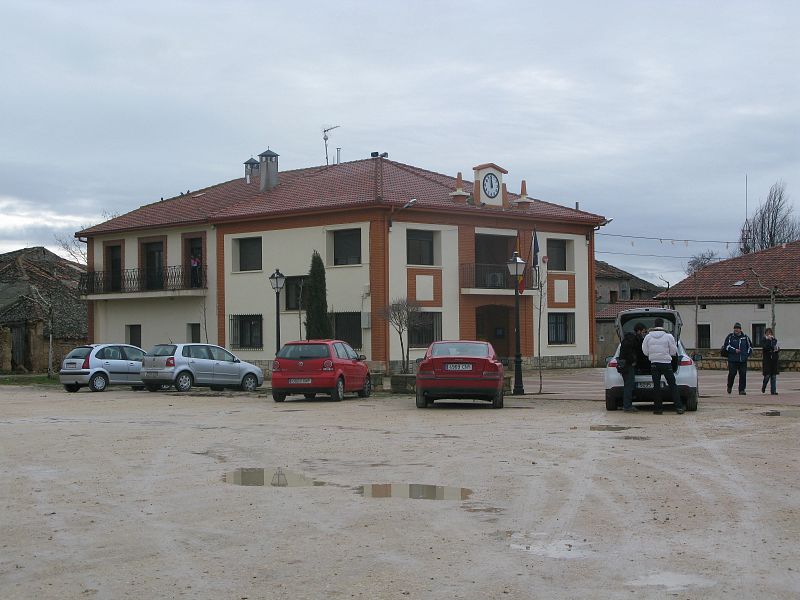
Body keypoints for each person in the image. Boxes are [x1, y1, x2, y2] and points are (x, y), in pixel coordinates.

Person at [642, 317, 683, 415]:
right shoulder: (669, 336)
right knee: (673, 385)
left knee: (656, 386)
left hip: (654, 364)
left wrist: (652, 355)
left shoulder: (648, 337)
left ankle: (658, 409)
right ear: (663, 325)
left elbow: (645, 351)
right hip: (666, 363)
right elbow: (673, 351)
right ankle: (679, 407)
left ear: (654, 325)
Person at [618, 323, 647, 412]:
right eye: (643, 332)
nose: (644, 334)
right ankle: (627, 406)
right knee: (629, 385)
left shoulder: (628, 339)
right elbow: (629, 353)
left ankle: (626, 404)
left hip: (624, 364)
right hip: (627, 365)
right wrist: (633, 361)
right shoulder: (632, 340)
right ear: (639, 331)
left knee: (628, 385)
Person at [723, 322, 752, 395]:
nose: (736, 330)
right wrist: (734, 350)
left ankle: (742, 390)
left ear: (740, 329)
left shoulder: (745, 337)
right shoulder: (730, 337)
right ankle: (729, 386)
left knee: (743, 374)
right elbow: (726, 346)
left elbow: (750, 347)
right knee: (732, 373)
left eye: (738, 328)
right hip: (732, 360)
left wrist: (746, 355)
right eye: (735, 328)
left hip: (742, 360)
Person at [761, 328, 780, 395]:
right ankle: (764, 386)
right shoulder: (764, 340)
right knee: (767, 376)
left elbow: (776, 348)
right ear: (765, 334)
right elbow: (765, 347)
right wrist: (768, 340)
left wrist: (777, 349)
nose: (769, 334)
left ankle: (773, 391)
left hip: (774, 360)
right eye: (767, 333)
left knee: (773, 376)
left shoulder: (774, 340)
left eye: (770, 333)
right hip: (767, 360)